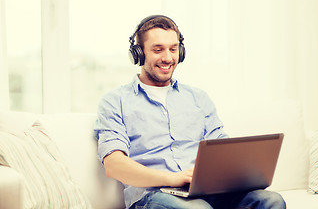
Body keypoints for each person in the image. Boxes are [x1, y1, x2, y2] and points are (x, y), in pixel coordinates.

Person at [94, 15, 286, 209]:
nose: (168, 58)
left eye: (173, 49)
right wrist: (174, 178)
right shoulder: (115, 101)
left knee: (271, 201)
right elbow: (114, 165)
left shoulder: (198, 98)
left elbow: (221, 149)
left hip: (207, 193)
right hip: (153, 196)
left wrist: (241, 172)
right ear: (139, 54)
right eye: (158, 49)